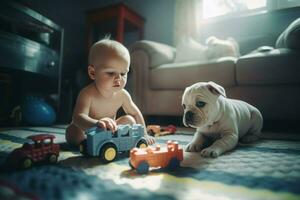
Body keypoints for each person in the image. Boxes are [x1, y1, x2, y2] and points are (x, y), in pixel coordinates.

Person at [65, 38, 155, 146]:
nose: (118, 78)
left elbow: (135, 113)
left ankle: (113, 141)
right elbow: (78, 117)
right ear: (93, 73)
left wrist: (144, 134)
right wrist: (97, 124)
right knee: (73, 131)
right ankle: (86, 144)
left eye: (123, 73)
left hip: (110, 130)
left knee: (130, 120)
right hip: (88, 130)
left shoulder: (123, 95)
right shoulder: (87, 93)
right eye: (111, 73)